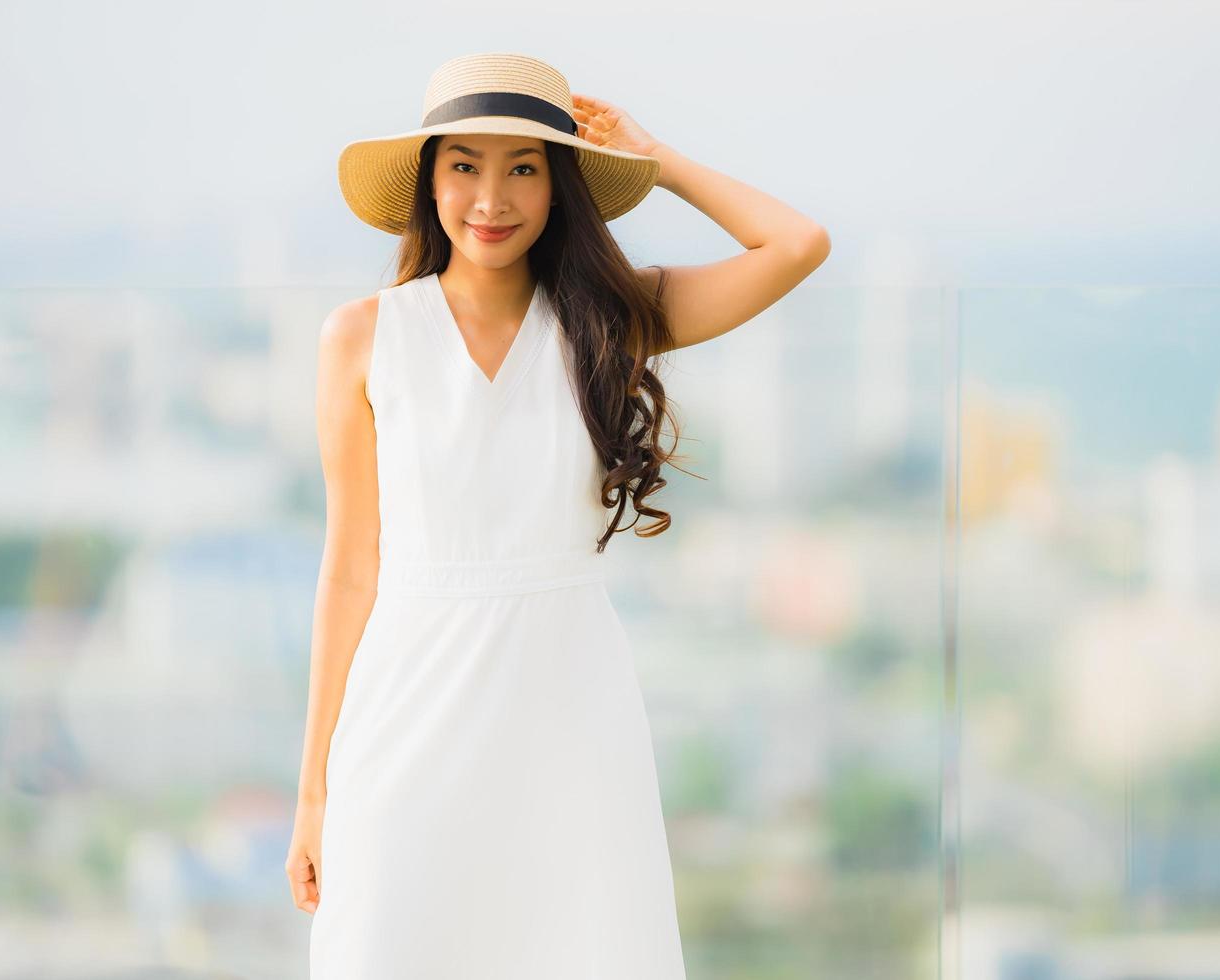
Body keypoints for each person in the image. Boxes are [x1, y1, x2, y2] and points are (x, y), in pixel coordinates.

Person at [289, 51, 829, 977]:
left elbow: (796, 244)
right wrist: (313, 795)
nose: (490, 198)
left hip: (570, 712)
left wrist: (660, 159)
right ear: (429, 181)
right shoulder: (362, 337)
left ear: (559, 186)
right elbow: (348, 569)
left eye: (523, 168)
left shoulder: (610, 320)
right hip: (406, 708)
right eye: (464, 164)